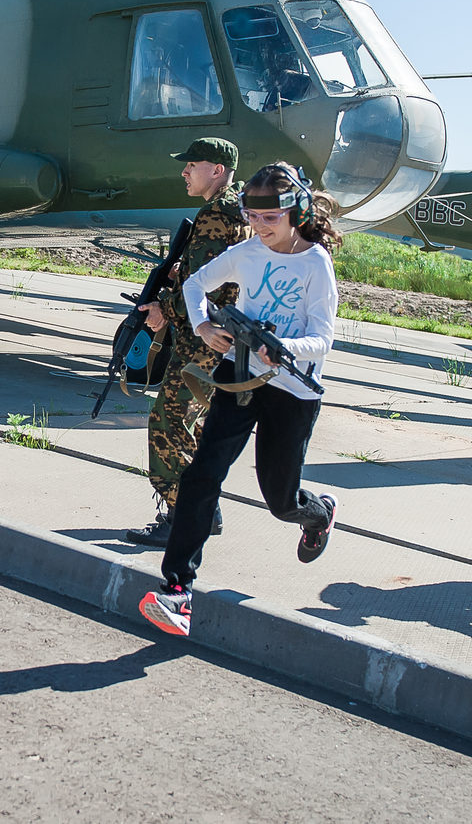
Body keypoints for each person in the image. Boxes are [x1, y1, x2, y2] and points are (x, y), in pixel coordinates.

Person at [139, 163, 341, 637]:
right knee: (202, 472)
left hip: (292, 389)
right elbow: (193, 283)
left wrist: (286, 349)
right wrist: (204, 325)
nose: (260, 227)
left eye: (270, 218)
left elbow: (324, 339)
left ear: (296, 212)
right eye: (253, 216)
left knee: (280, 498)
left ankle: (318, 513)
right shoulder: (246, 252)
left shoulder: (316, 264)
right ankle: (177, 591)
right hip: (240, 379)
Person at [125, 137, 251, 548]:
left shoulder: (217, 213)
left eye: (191, 164)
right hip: (223, 339)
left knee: (168, 423)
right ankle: (203, 510)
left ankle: (183, 518)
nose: (184, 171)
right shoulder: (239, 210)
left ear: (216, 170)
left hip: (203, 340)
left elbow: (207, 290)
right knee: (193, 428)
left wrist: (165, 307)